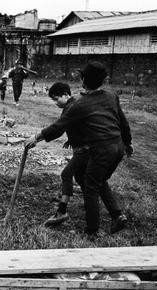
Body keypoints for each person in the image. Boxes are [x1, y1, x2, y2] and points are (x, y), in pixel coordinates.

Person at [24, 61, 134, 238]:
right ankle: (117, 215)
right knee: (99, 181)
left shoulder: (80, 104)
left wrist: (36, 137)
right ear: (103, 80)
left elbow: (58, 127)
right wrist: (128, 143)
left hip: (100, 150)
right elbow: (123, 122)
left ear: (83, 80)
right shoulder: (111, 96)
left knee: (89, 186)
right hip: (118, 147)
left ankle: (92, 231)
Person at [41, 82, 87, 226]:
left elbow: (59, 127)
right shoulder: (72, 105)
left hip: (85, 149)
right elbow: (76, 125)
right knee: (81, 176)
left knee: (66, 174)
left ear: (66, 95)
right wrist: (70, 139)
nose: (55, 103)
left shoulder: (71, 107)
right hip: (84, 146)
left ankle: (62, 211)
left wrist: (37, 137)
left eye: (56, 99)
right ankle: (90, 200)